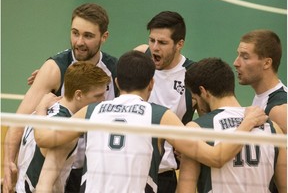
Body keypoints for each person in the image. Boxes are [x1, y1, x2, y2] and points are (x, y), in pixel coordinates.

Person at [34, 51, 268, 193]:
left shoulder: (91, 112)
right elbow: (215, 157)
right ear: (151, 84)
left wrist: (42, 107)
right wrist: (246, 124)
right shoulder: (160, 116)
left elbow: (43, 138)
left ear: (116, 83)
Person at [3, 3, 118, 193]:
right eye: (75, 33)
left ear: (104, 37)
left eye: (88, 36)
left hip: (94, 168)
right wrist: (8, 164)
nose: (79, 41)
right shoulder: (54, 69)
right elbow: (18, 121)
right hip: (58, 165)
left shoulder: (113, 70)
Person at [177, 57, 287, 193]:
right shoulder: (273, 128)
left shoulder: (196, 129)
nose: (198, 106)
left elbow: (184, 190)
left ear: (204, 91)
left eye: (195, 98)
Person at [15, 61, 111, 193]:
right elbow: (44, 186)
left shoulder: (43, 108)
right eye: (98, 96)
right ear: (78, 95)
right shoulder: (65, 132)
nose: (103, 101)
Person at [134, 11, 194, 193]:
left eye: (162, 42)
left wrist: (190, 149)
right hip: (131, 167)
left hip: (164, 174)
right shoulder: (139, 57)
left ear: (180, 44)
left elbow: (209, 120)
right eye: (152, 40)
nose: (154, 47)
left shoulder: (193, 75)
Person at [233, 29, 287, 134]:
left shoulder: (279, 111)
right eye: (238, 55)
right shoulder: (263, 97)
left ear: (266, 63)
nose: (236, 63)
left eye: (245, 57)